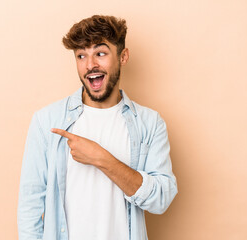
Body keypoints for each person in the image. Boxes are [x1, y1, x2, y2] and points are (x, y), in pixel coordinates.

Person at [17, 15, 178, 240]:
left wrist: (101, 158)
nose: (90, 64)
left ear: (123, 56)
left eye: (100, 53)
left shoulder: (149, 124)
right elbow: (30, 205)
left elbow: (161, 199)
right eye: (81, 55)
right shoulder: (47, 121)